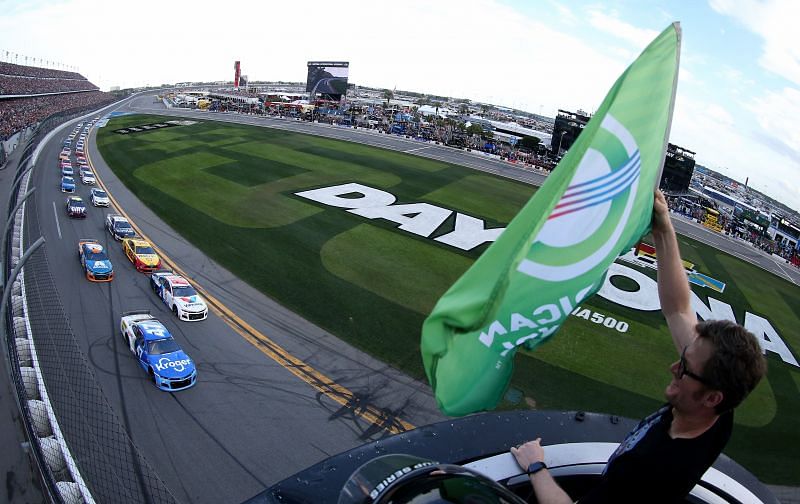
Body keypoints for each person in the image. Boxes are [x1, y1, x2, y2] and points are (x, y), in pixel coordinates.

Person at [510, 190, 767, 504]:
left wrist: (536, 465)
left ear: (713, 397)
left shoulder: (650, 472)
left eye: (684, 369)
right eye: (683, 357)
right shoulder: (718, 404)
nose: (675, 366)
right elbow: (678, 308)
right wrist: (663, 227)